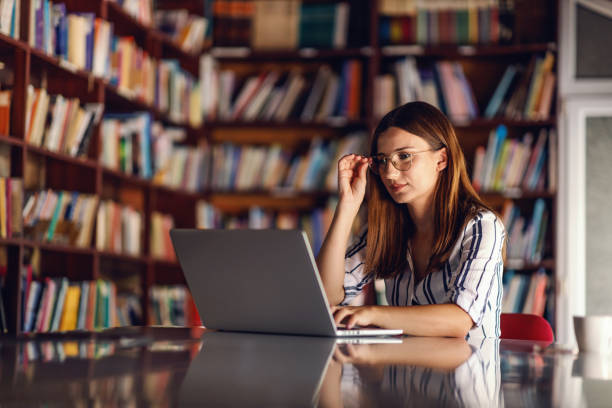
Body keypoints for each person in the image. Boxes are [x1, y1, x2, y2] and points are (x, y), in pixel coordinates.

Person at [316, 101, 506, 339]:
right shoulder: (386, 229)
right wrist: (347, 206)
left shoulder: (481, 226)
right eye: (383, 160)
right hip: (403, 371)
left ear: (441, 160)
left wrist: (374, 314)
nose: (389, 173)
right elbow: (325, 295)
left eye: (404, 156)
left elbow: (460, 320)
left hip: (464, 373)